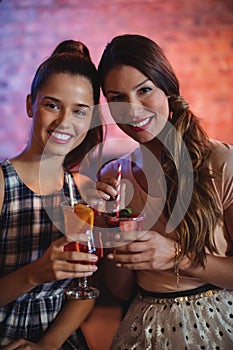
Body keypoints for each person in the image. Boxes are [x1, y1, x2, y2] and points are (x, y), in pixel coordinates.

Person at [96, 34, 233, 349]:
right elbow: (119, 289)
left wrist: (177, 257)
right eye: (117, 98)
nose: (131, 109)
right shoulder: (114, 175)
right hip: (144, 327)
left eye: (144, 90)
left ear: (168, 90)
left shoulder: (222, 163)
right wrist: (110, 226)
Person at [0, 39, 104, 349]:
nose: (64, 122)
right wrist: (34, 274)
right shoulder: (3, 185)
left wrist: (48, 345)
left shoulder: (83, 190)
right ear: (31, 103)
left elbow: (87, 289)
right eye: (52, 105)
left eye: (79, 111)